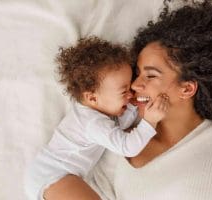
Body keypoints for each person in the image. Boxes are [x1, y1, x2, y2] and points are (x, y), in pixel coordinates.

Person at [27, 0, 212, 199]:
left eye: (150, 75)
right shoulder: (119, 129)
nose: (135, 85)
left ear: (187, 88)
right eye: (137, 73)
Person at [24, 37, 169, 200]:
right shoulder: (93, 122)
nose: (131, 94)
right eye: (124, 92)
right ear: (92, 97)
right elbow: (126, 146)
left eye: (130, 88)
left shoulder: (97, 111)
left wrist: (133, 105)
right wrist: (150, 121)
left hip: (53, 175)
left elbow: (119, 125)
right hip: (54, 175)